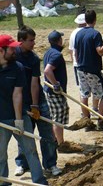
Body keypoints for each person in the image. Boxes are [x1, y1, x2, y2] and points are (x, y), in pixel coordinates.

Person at [0, 35, 48, 185]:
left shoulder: (17, 68)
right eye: (11, 48)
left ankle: (40, 181)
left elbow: (17, 94)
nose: (15, 50)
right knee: (0, 155)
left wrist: (19, 120)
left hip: (19, 116)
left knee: (31, 150)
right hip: (0, 122)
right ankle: (4, 183)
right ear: (1, 51)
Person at [14, 26, 62, 177]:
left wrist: (35, 105)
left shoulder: (34, 59)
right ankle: (23, 164)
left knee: (47, 133)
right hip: (20, 101)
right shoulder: (12, 55)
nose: (34, 43)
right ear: (20, 41)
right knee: (24, 133)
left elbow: (35, 83)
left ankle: (50, 164)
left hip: (37, 100)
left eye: (34, 39)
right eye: (31, 40)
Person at [74, 9, 103, 129]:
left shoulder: (78, 34)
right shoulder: (95, 34)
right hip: (93, 70)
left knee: (84, 94)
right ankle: (101, 121)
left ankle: (87, 122)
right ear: (95, 20)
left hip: (80, 69)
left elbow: (75, 53)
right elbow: (100, 52)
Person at [69, 13, 99, 118]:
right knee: (96, 89)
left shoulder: (74, 33)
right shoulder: (88, 33)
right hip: (89, 65)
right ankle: (95, 108)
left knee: (83, 91)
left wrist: (75, 62)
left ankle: (84, 113)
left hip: (78, 65)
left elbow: (71, 50)